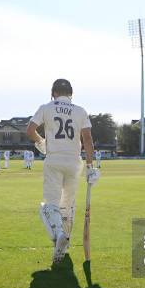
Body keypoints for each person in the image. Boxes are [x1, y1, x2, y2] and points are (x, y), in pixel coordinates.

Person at [27, 78, 100, 263]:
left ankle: (59, 234)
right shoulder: (80, 111)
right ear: (71, 94)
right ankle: (63, 247)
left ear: (53, 93)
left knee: (50, 205)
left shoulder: (46, 107)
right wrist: (91, 167)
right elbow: (88, 140)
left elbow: (30, 130)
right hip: (74, 163)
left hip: (54, 160)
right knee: (67, 207)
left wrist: (41, 142)